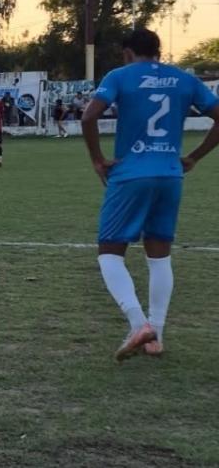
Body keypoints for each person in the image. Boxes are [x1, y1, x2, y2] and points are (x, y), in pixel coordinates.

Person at [81, 28, 219, 360]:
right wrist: (194, 157)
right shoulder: (183, 79)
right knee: (159, 256)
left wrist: (99, 161)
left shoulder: (120, 75)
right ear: (157, 51)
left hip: (131, 173)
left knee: (110, 253)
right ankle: (156, 334)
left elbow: (89, 116)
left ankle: (138, 322)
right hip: (170, 173)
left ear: (128, 52)